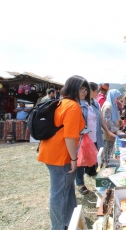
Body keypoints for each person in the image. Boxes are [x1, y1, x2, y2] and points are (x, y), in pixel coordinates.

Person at [37, 75, 87, 230]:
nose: (84, 92)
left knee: (67, 189)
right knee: (59, 193)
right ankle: (58, 227)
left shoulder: (62, 102)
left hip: (52, 151)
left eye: (86, 89)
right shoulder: (72, 106)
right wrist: (73, 158)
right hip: (61, 155)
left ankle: (70, 222)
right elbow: (69, 136)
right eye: (81, 88)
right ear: (73, 88)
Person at [75, 82, 115, 195]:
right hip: (84, 139)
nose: (98, 93)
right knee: (81, 162)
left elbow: (101, 119)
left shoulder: (96, 104)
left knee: (99, 160)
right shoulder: (79, 104)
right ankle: (80, 184)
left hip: (96, 137)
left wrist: (108, 131)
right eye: (96, 91)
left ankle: (102, 185)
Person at [101, 89, 124, 167]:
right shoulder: (108, 105)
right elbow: (107, 121)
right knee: (106, 151)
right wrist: (117, 131)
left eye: (119, 98)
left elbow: (115, 116)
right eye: (117, 98)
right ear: (112, 96)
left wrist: (120, 120)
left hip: (112, 132)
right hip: (108, 133)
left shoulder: (113, 104)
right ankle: (104, 168)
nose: (118, 100)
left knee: (109, 150)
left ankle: (106, 166)